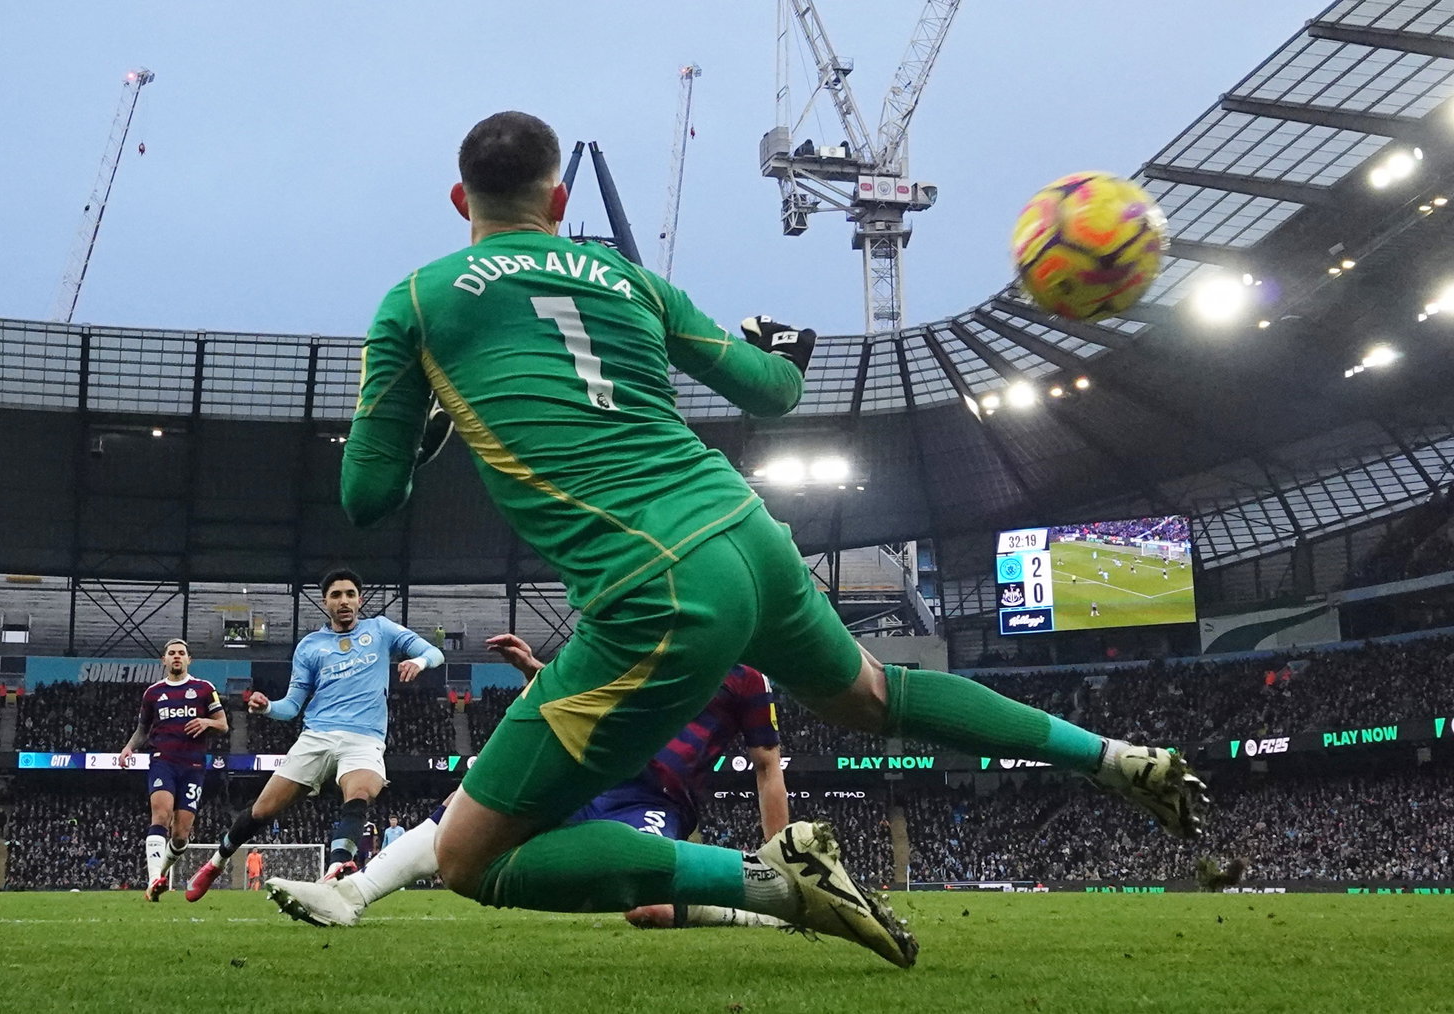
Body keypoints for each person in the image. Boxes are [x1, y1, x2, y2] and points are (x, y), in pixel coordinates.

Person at [334, 110, 1206, 968]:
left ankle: (772, 880)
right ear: (559, 201)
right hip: (746, 530)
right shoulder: (628, 279)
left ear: (460, 199)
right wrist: (782, 347)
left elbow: (369, 497)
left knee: (468, 857)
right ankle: (1116, 757)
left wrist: (423, 430)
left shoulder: (417, 299)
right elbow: (773, 390)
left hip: (656, 583)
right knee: (873, 691)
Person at [265, 632, 790, 930]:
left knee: (646, 911)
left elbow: (767, 767)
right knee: (468, 813)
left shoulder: (747, 676)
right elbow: (584, 702)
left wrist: (779, 856)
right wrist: (536, 671)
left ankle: (765, 908)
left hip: (656, 800)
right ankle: (351, 894)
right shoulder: (650, 641)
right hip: (589, 774)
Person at [184, 568, 445, 899]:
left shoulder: (381, 629)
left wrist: (419, 663)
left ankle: (338, 866)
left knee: (360, 792)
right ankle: (216, 862)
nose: (344, 601)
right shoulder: (310, 647)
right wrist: (267, 708)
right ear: (325, 603)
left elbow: (435, 653)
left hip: (364, 738)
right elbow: (291, 706)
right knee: (263, 810)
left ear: (359, 599)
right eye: (336, 595)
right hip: (316, 737)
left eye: (350, 594)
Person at [118, 638, 227, 901]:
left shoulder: (203, 688)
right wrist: (128, 747)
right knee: (160, 815)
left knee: (180, 835)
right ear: (163, 660)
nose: (177, 657)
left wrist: (205, 722)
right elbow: (143, 730)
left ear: (189, 660)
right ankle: (155, 879)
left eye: (181, 653)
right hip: (162, 761)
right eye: (172, 653)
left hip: (193, 766)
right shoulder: (153, 693)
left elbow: (223, 724)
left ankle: (161, 872)